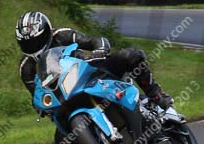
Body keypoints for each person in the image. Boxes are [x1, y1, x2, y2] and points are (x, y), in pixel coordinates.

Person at [16, 11, 174, 125]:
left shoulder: (61, 35)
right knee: (63, 142)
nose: (33, 47)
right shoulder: (25, 68)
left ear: (46, 33)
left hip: (88, 70)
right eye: (27, 44)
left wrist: (99, 50)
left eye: (36, 41)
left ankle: (158, 96)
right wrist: (41, 107)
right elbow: (36, 94)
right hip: (63, 95)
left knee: (130, 56)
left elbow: (93, 41)